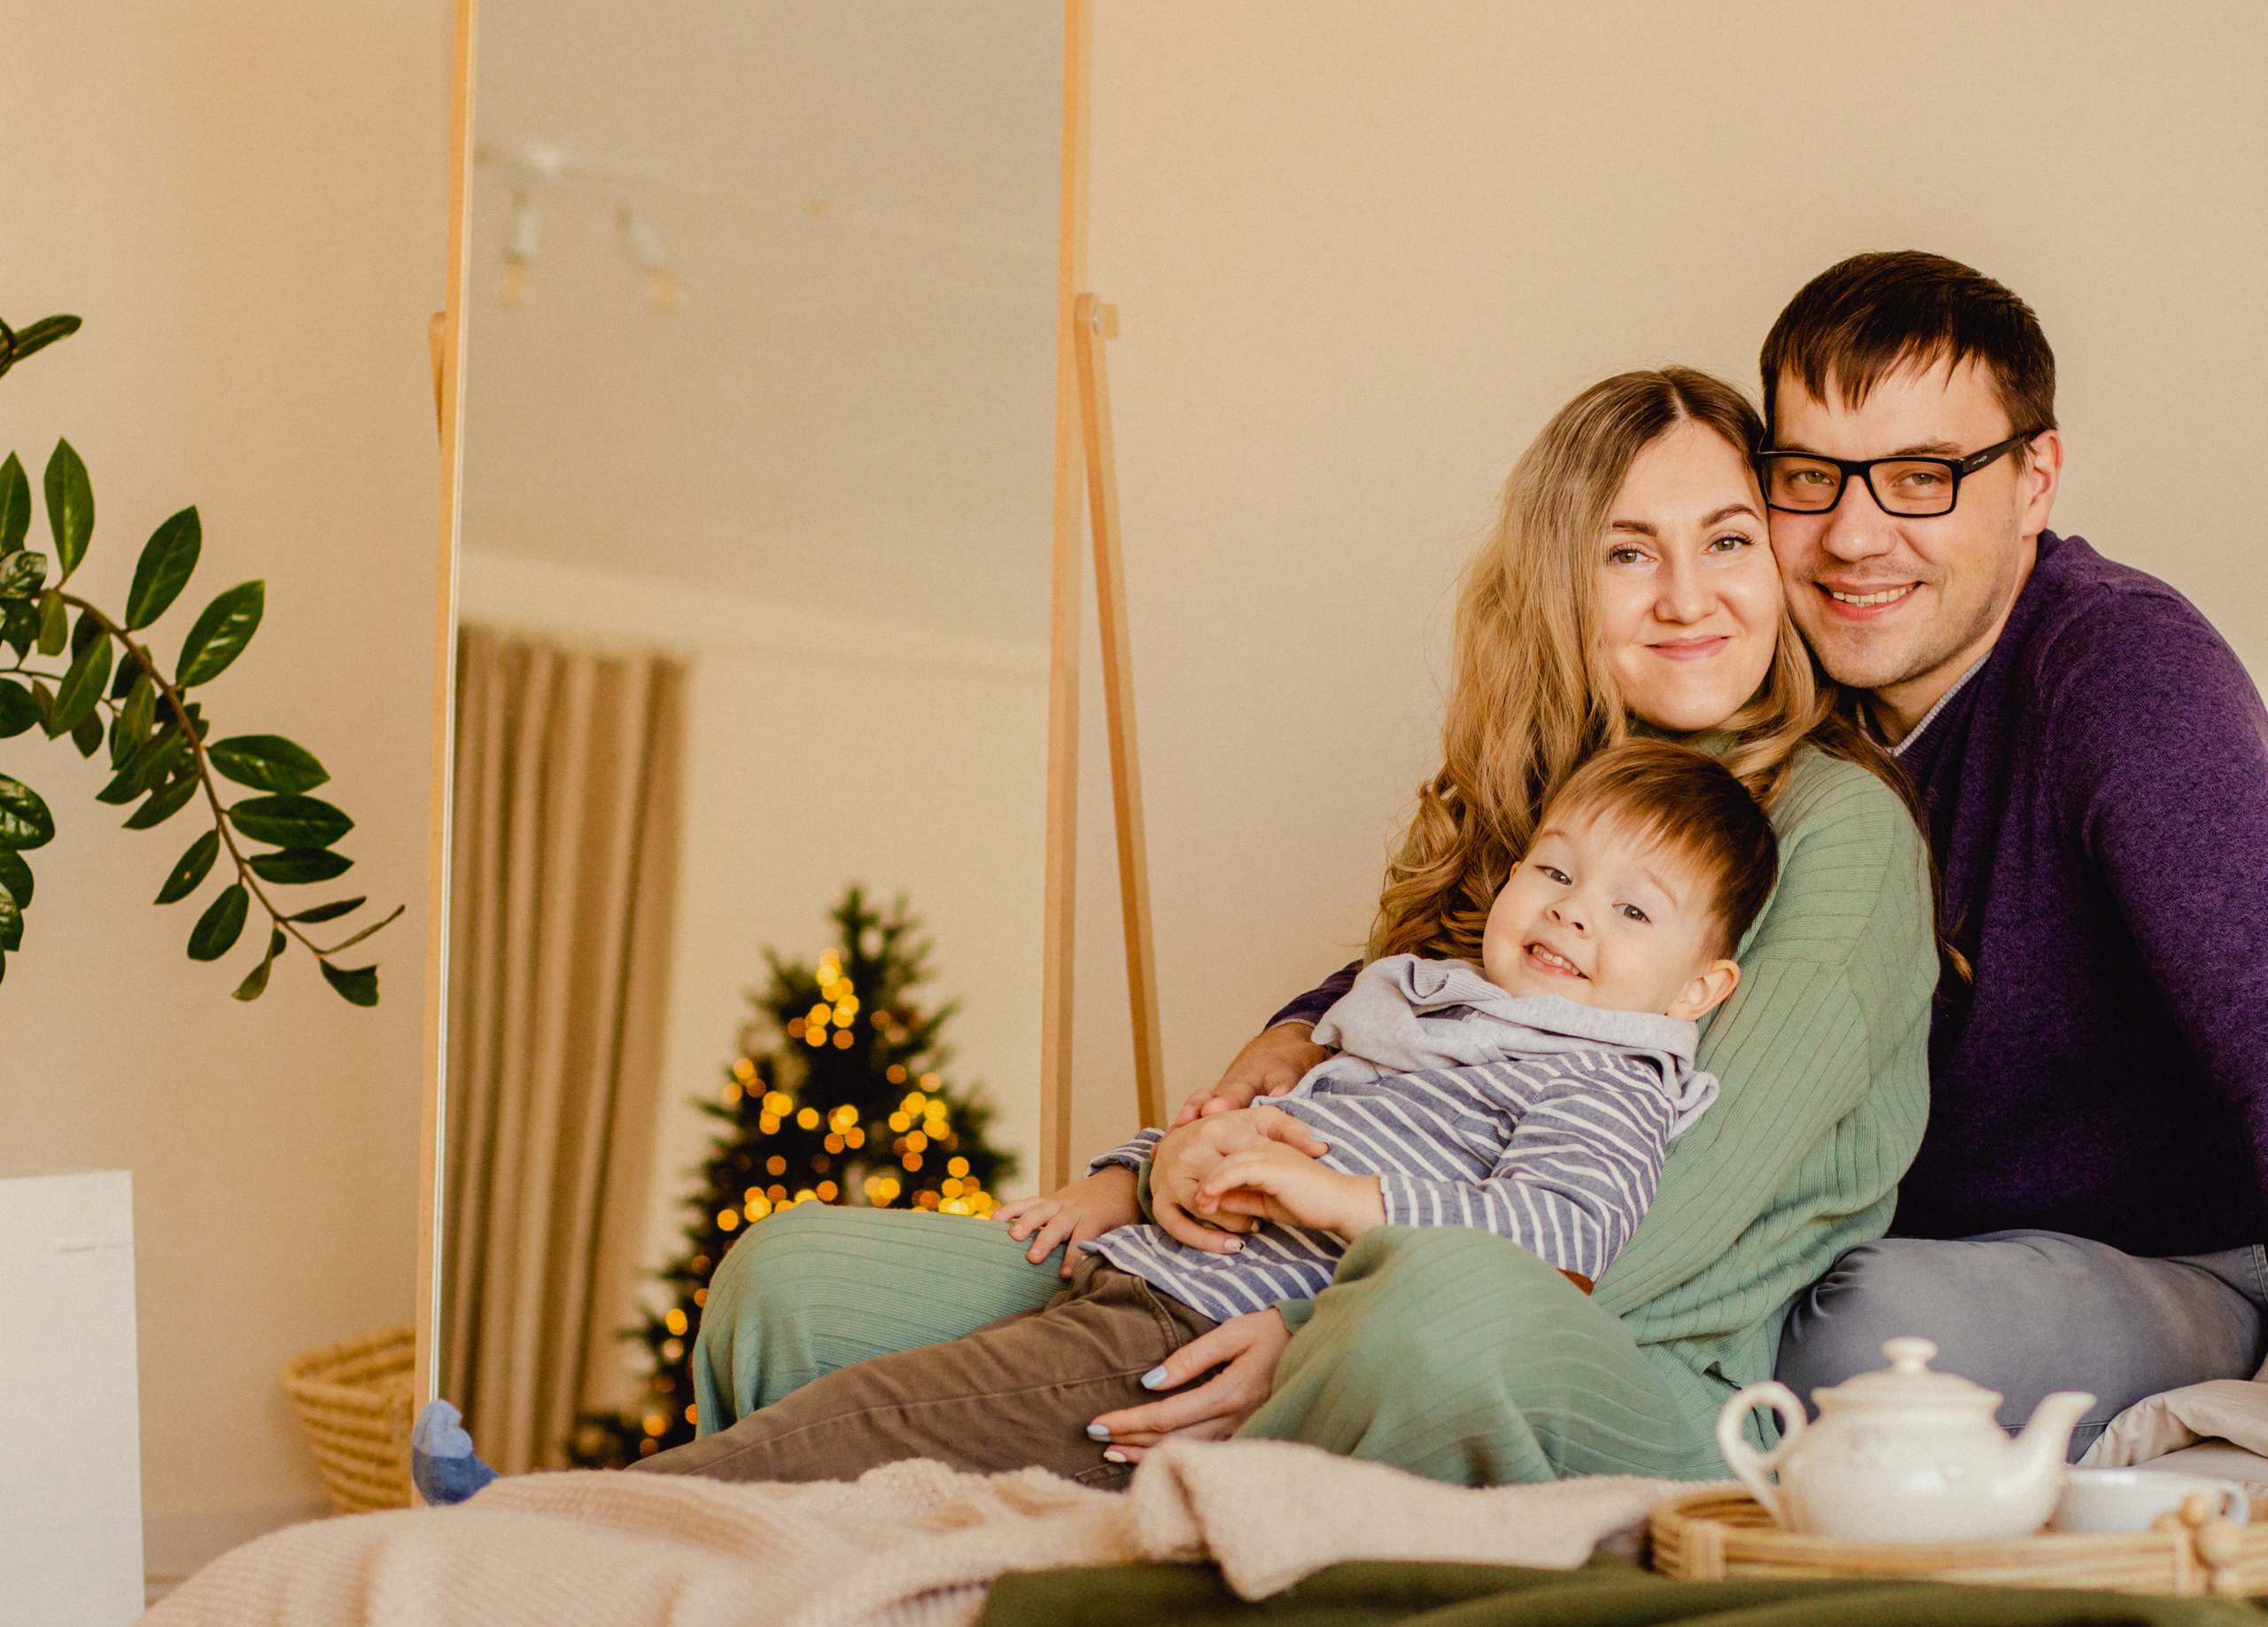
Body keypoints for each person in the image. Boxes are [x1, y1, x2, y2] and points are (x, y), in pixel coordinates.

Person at [678, 367, 1938, 1488]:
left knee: (1430, 1315)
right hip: (1286, 1268)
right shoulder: (1527, 815)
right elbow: (1366, 1064)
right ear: (1565, 582)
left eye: (1726, 541)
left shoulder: (1842, 832)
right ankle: (756, 1608)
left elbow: (1663, 1219)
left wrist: (1315, 1339)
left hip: (1626, 1362)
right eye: (1626, 554)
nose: (1685, 597)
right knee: (795, 1279)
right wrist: (1185, 1155)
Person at [613, 742, 1770, 1489]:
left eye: (1631, 909)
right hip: (1139, 1272)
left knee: (880, 1421)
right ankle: (611, 1528)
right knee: (873, 1400)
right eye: (1556, 875)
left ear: (1697, 990)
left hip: (1177, 1340)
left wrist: (1334, 1199)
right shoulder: (1429, 1007)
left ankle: (581, 1521)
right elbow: (1256, 1116)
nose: (1573, 916)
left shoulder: (1605, 1079)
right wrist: (1128, 1172)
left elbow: (1560, 1238)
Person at [1758, 253, 2268, 1445]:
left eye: (1921, 477)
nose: (1853, 537)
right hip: (1878, 1243)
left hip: (2178, 1263)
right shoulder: (1760, 673)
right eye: (1808, 478)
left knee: (1858, 1337)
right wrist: (1309, 1027)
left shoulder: (2117, 671)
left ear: (2032, 480)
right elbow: (1552, 890)